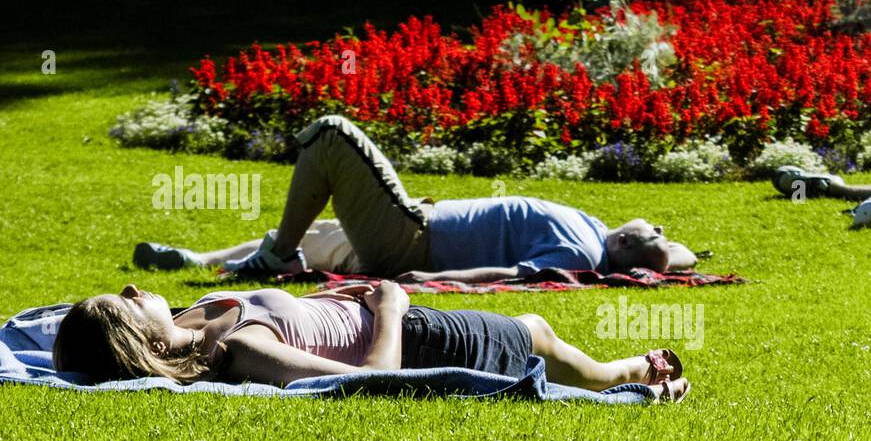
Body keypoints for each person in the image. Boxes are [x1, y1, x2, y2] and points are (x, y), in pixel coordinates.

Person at [134, 115, 698, 280]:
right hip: (416, 225)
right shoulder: (594, 227)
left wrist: (433, 281)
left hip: (414, 243)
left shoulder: (583, 254)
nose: (659, 227)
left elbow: (511, 275)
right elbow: (676, 254)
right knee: (316, 235)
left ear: (626, 242)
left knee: (331, 137)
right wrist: (667, 255)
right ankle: (199, 261)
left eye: (653, 232)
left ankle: (277, 254)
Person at [51, 283, 691, 401]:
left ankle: (624, 371)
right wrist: (389, 305)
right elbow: (374, 384)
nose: (136, 288)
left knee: (543, 340)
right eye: (125, 301)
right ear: (135, 337)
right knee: (536, 336)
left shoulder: (193, 322)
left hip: (413, 324)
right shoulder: (242, 350)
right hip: (423, 341)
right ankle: (625, 375)